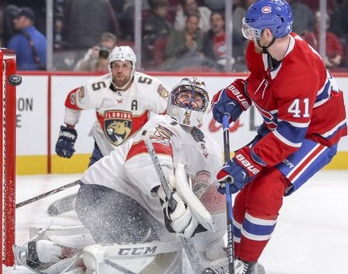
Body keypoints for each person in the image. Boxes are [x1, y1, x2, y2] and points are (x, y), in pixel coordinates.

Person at [13, 77, 228, 274]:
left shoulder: (210, 148)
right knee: (140, 252)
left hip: (141, 208)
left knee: (161, 247)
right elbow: (143, 160)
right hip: (102, 194)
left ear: (205, 106)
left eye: (196, 99)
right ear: (172, 100)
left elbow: (215, 197)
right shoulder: (161, 125)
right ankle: (76, 266)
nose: (189, 103)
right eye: (184, 96)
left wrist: (214, 241)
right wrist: (168, 196)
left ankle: (49, 251)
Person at [204, 0, 347, 274]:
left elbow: (291, 136)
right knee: (242, 188)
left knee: (267, 187)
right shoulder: (259, 49)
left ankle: (245, 264)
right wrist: (242, 93)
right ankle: (234, 256)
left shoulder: (300, 70)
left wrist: (250, 160)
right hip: (281, 125)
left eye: (253, 32)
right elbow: (262, 83)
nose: (248, 37)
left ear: (268, 34)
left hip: (316, 133)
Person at [50, 46, 170, 216]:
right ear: (110, 67)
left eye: (125, 65)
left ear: (133, 67)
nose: (120, 70)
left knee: (142, 195)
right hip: (103, 151)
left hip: (135, 152)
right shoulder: (97, 88)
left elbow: (170, 111)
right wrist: (67, 132)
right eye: (116, 66)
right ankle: (89, 204)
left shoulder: (149, 88)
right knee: (90, 199)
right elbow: (72, 101)